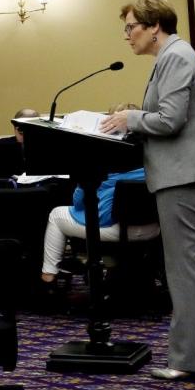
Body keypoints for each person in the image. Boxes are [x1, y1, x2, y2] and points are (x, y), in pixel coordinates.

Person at [100, 0, 195, 381]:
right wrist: (133, 121)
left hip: (183, 175)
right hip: (185, 172)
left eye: (130, 27)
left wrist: (129, 118)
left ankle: (190, 360)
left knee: (183, 268)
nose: (127, 36)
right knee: (192, 266)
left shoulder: (174, 57)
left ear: (154, 26)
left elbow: (170, 120)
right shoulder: (174, 55)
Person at [40, 104, 160, 284]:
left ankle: (48, 277)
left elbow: (80, 204)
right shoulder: (155, 161)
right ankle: (121, 273)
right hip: (154, 228)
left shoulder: (106, 168)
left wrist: (83, 178)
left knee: (57, 215)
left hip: (118, 229)